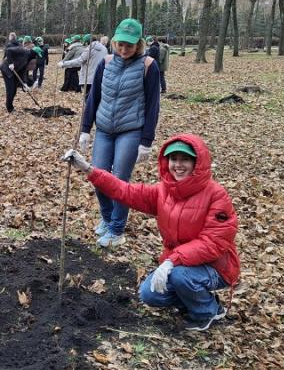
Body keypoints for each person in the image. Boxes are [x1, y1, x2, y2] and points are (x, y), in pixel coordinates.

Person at [61, 134, 240, 331]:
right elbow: (125, 191)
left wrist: (172, 261)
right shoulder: (164, 191)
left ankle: (208, 310)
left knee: (181, 277)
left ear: (197, 163)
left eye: (185, 160)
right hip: (179, 263)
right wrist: (88, 168)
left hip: (215, 267)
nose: (178, 165)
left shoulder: (216, 195)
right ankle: (193, 298)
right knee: (150, 295)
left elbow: (213, 243)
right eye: (174, 159)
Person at [79, 18, 161, 247]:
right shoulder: (105, 63)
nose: (124, 49)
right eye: (121, 44)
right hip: (104, 129)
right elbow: (94, 96)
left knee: (120, 180)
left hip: (130, 131)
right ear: (114, 42)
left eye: (130, 45)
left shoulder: (148, 66)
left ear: (139, 44)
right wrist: (86, 129)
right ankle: (107, 218)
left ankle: (117, 230)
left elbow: (153, 104)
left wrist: (146, 140)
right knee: (98, 176)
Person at [0, 38, 35, 112]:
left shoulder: (27, 60)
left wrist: (25, 84)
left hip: (14, 71)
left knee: (14, 90)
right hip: (6, 69)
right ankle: (9, 108)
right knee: (11, 89)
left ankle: (10, 105)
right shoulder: (24, 51)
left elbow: (23, 72)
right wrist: (10, 63)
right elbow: (8, 50)